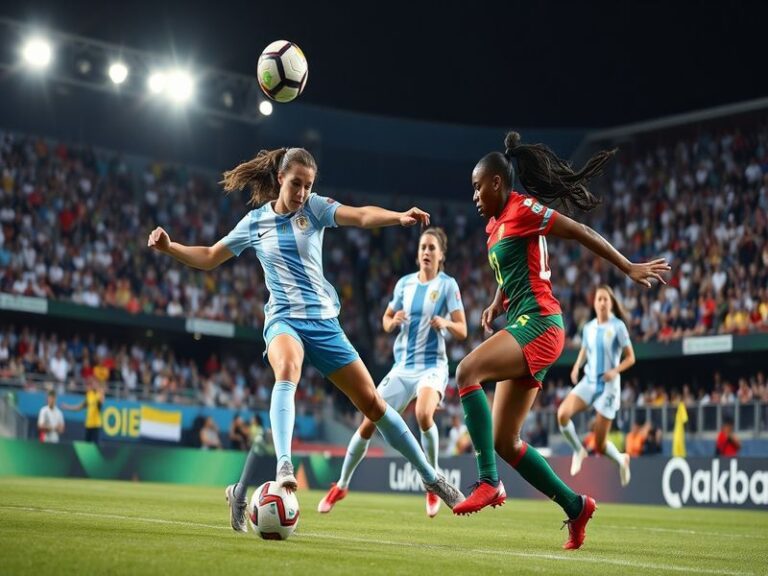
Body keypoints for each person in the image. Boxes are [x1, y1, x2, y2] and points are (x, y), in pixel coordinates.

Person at [147, 147, 464, 533]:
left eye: (308, 186)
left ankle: (431, 478)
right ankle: (284, 466)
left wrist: (398, 217)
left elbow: (359, 215)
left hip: (324, 323)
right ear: (280, 178)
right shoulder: (255, 222)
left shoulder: (313, 209)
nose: (301, 192)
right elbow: (211, 256)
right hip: (283, 320)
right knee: (288, 369)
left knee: (373, 404)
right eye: (296, 184)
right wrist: (169, 248)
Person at [451, 131, 670, 551]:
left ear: (497, 181)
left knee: (466, 371)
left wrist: (627, 267)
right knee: (505, 441)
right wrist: (498, 303)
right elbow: (514, 270)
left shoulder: (522, 209)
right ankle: (575, 506)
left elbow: (579, 230)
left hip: (542, 324)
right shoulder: (495, 226)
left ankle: (487, 480)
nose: (474, 195)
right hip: (523, 321)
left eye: (478, 186)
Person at [317, 227, 467, 518]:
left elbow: (462, 329)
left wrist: (446, 324)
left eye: (432, 248)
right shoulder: (404, 285)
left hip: (431, 366)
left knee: (424, 414)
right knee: (367, 422)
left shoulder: (448, 286)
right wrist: (393, 320)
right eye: (423, 247)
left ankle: (432, 481)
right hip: (403, 367)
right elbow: (386, 321)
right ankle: (342, 485)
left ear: (441, 255)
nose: (426, 252)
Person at [557, 286, 635, 487]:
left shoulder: (618, 327)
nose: (602, 302)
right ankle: (578, 449)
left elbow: (631, 358)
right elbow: (584, 349)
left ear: (611, 303)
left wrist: (614, 371)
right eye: (599, 299)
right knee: (562, 414)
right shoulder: (589, 327)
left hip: (609, 388)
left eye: (605, 299)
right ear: (594, 303)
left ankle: (621, 460)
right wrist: (576, 367)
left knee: (600, 445)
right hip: (589, 382)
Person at [61, 377, 104, 444]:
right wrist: (67, 407)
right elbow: (79, 407)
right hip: (88, 425)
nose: (92, 385)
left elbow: (101, 402)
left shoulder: (99, 394)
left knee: (96, 447)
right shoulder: (89, 395)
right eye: (91, 383)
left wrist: (100, 390)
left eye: (94, 383)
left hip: (96, 425)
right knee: (87, 446)